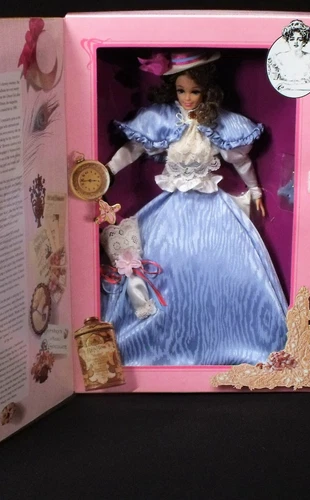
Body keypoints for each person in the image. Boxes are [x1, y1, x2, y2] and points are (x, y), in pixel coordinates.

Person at [100, 50, 288, 367]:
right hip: (171, 209)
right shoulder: (163, 120)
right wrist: (106, 172)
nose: (187, 98)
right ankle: (167, 337)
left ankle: (229, 335)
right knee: (165, 267)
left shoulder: (217, 123)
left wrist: (255, 189)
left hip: (212, 208)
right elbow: (133, 149)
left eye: (195, 91)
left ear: (207, 92)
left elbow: (240, 160)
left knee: (223, 269)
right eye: (181, 90)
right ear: (172, 90)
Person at [267, 19, 310, 94]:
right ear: (287, 41)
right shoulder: (278, 58)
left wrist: (289, 87)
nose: (295, 42)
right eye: (292, 39)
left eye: (299, 39)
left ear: (304, 42)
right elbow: (273, 83)